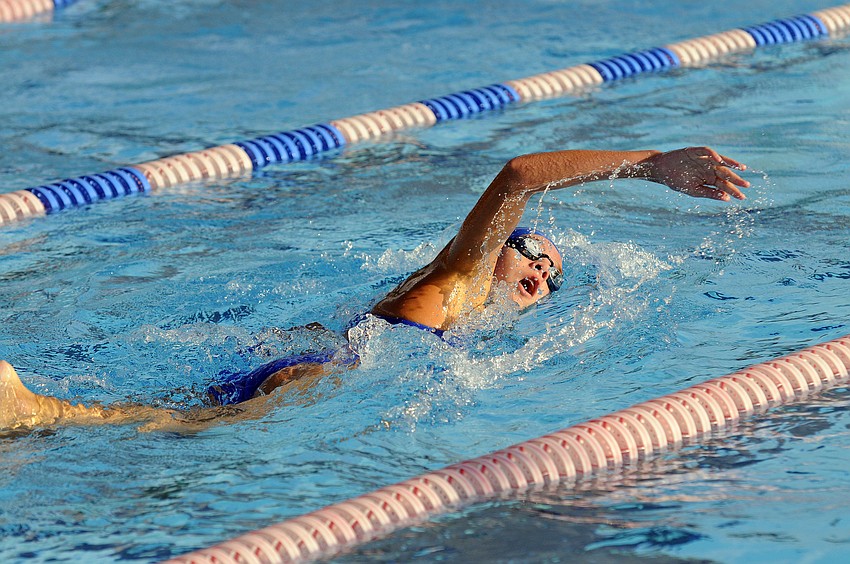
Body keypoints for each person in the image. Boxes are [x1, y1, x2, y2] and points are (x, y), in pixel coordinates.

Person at [0, 146, 750, 431]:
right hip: (315, 373)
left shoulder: (466, 318)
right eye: (533, 253)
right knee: (172, 429)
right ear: (495, 252)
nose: (542, 273)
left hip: (313, 360)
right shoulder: (457, 278)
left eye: (554, 277)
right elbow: (521, 174)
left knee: (180, 421)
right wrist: (650, 165)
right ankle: (36, 409)